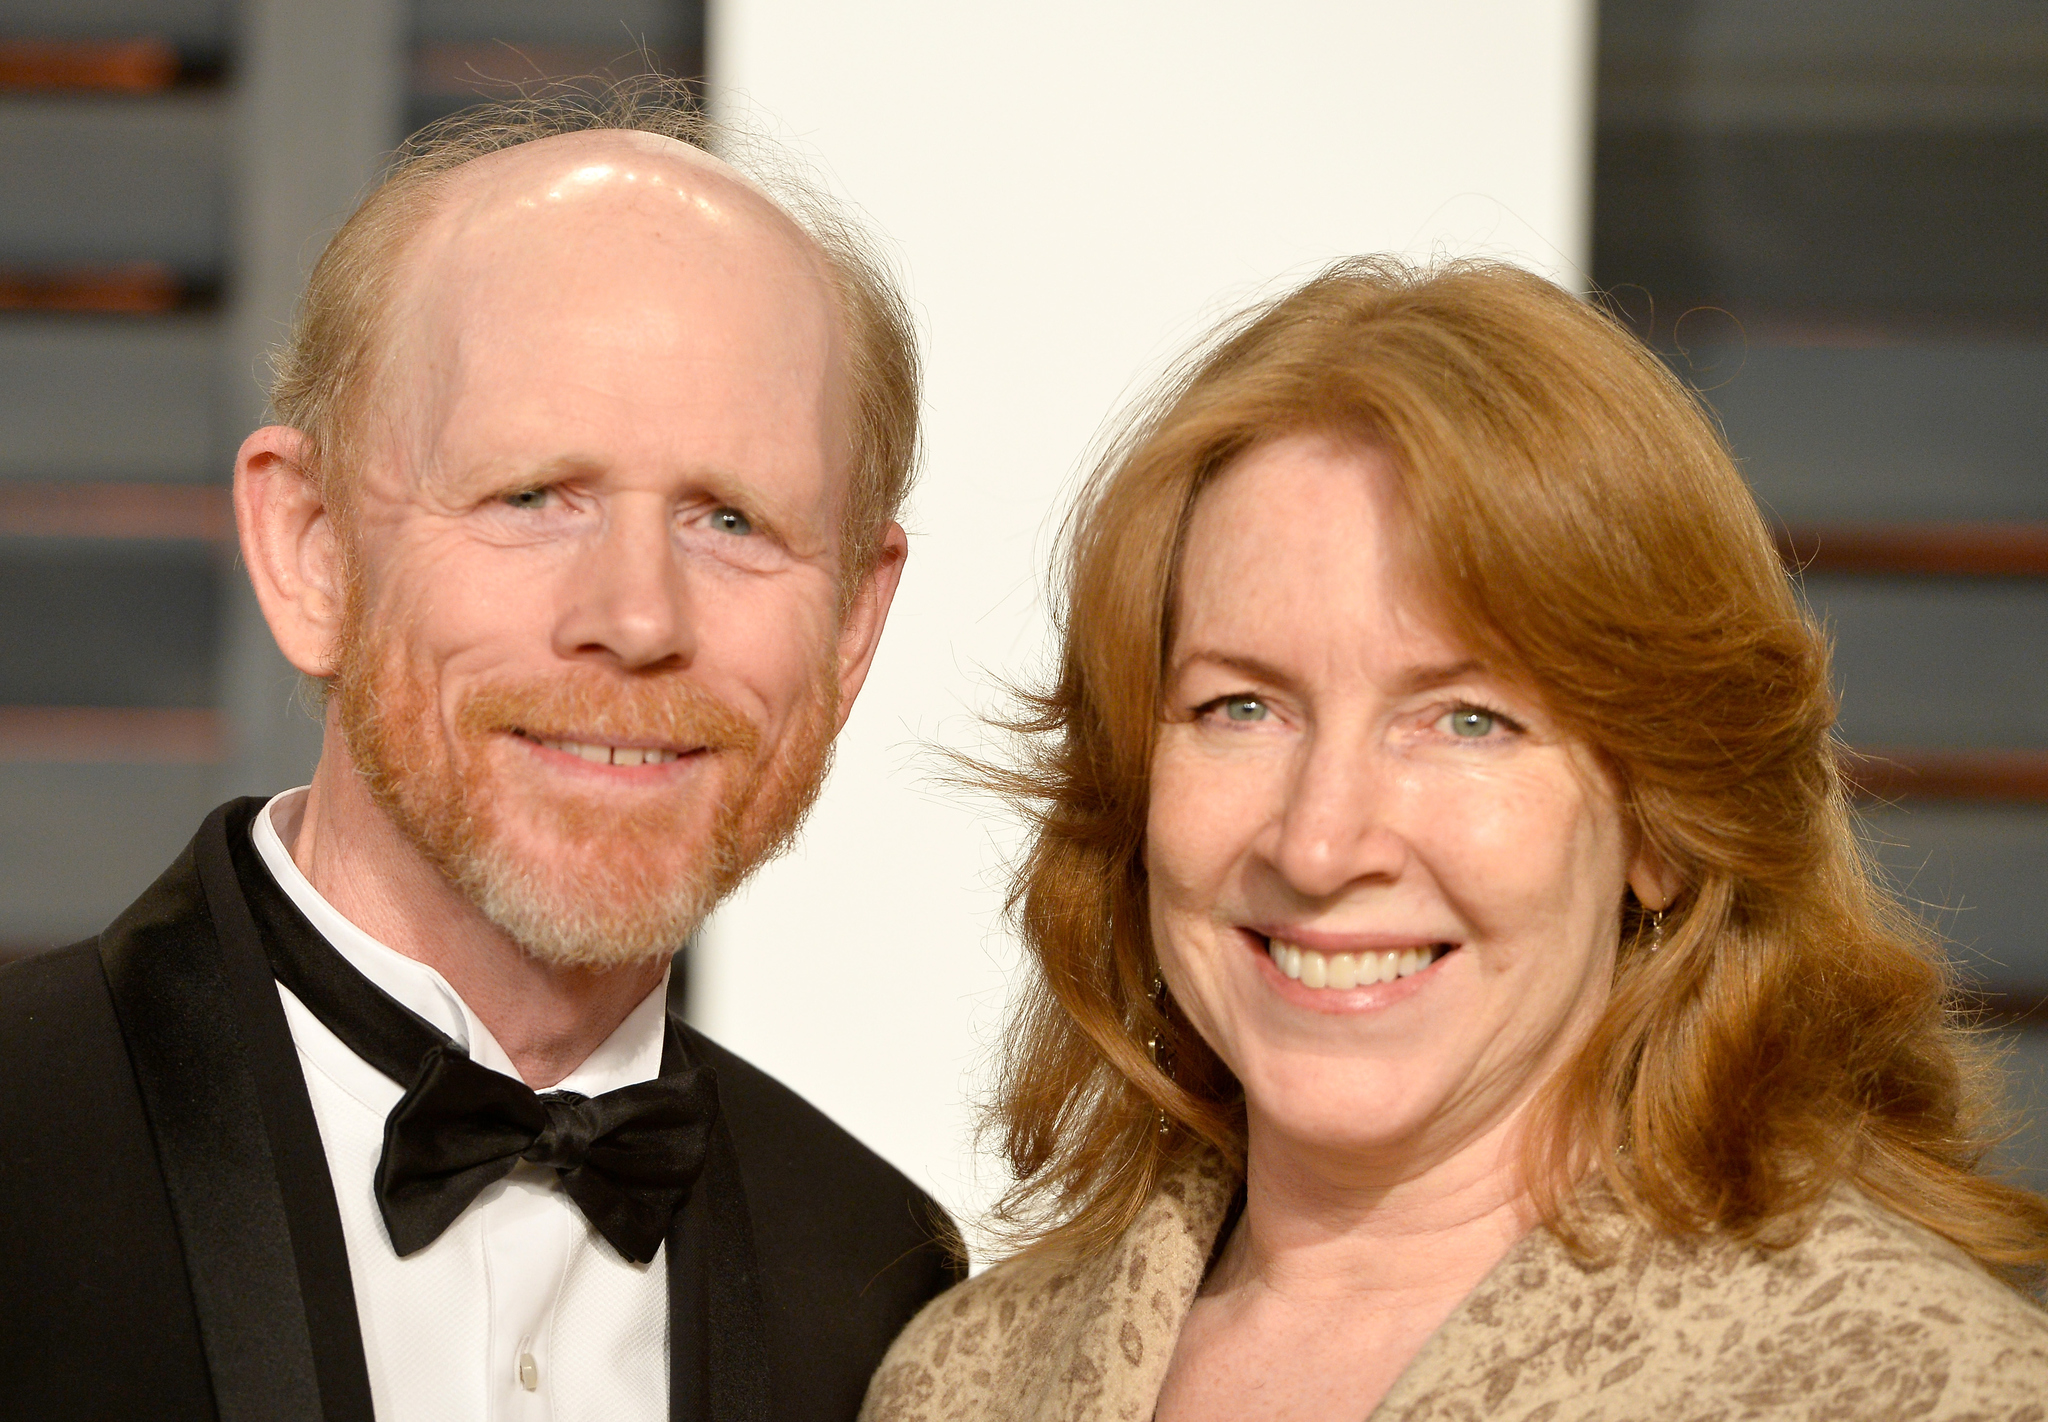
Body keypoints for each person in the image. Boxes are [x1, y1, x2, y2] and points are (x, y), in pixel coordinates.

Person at [862, 257, 2048, 1421]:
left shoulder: (1916, 1386)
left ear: (1664, 820)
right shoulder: (962, 1378)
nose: (1321, 845)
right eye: (1241, 707)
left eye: (1465, 720)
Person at [0, 82, 959, 1422]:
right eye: (532, 496)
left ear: (854, 622)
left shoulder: (887, 1290)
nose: (636, 619)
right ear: (312, 549)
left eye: (732, 518)